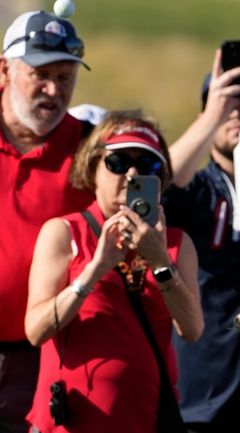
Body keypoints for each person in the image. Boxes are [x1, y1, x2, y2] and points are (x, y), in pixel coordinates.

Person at [24, 110, 204, 432]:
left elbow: (191, 329)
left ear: (160, 178)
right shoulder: (65, 232)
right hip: (70, 423)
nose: (132, 173)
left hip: (147, 420)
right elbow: (36, 330)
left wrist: (159, 259)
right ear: (93, 168)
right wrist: (95, 270)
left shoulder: (177, 243)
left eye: (147, 165)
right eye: (118, 163)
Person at [162, 49, 240, 433]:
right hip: (198, 393)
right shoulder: (195, 188)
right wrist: (211, 116)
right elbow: (153, 191)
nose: (237, 111)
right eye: (225, 101)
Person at [0, 10, 93, 432]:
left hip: (40, 359)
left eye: (66, 77)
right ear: (5, 69)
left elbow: (161, 177)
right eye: (40, 74)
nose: (54, 90)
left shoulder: (91, 149)